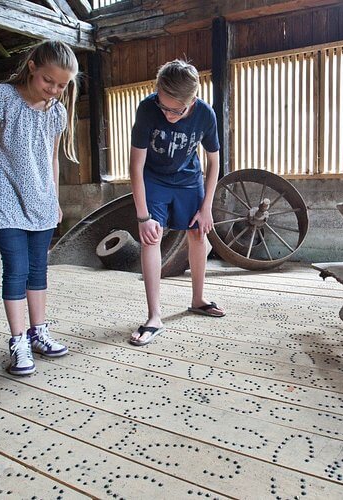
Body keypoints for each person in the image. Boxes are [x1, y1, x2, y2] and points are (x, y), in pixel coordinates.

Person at [0, 41, 78, 375]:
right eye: (49, 81)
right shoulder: (1, 97)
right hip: (6, 198)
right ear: (32, 67)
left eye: (62, 85)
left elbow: (52, 160)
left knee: (38, 271)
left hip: (42, 201)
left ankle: (38, 332)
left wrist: (56, 200)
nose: (54, 90)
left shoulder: (57, 112)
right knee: (15, 269)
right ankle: (18, 340)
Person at [128, 59, 225, 346]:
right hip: (154, 178)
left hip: (187, 178)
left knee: (197, 233)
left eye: (176, 110)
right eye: (164, 106)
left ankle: (197, 299)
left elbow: (214, 161)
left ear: (192, 100)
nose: (168, 114)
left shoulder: (205, 115)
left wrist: (207, 206)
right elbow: (135, 165)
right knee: (151, 237)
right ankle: (154, 316)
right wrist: (143, 217)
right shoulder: (148, 108)